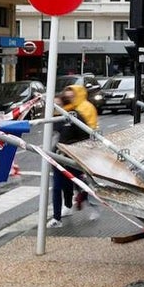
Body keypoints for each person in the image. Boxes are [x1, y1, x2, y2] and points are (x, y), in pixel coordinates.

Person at [47, 85, 99, 228]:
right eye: (54, 105)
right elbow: (53, 137)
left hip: (73, 157)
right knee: (58, 187)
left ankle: (92, 208)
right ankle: (57, 218)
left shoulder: (75, 116)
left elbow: (85, 134)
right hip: (58, 158)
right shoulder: (53, 119)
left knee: (79, 185)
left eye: (58, 104)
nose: (55, 107)